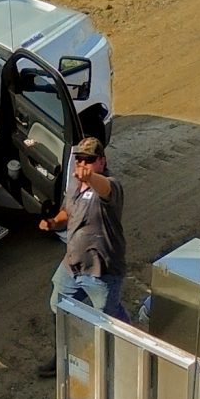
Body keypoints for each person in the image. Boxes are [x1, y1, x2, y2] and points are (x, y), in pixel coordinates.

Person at [41, 132, 128, 320]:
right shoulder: (75, 183)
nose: (82, 163)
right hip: (72, 265)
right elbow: (67, 211)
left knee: (106, 320)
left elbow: (105, 188)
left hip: (101, 273)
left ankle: (126, 326)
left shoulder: (110, 186)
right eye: (79, 159)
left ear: (102, 162)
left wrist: (90, 177)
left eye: (88, 160)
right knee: (58, 305)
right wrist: (54, 222)